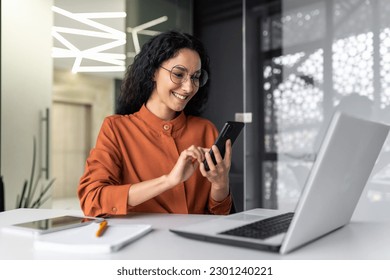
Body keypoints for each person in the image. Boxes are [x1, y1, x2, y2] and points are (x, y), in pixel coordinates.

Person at [78, 30, 233, 217]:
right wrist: (168, 181)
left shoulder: (206, 130)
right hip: (143, 243)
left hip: (195, 243)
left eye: (195, 77)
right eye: (178, 74)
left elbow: (220, 214)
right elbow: (92, 199)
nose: (189, 87)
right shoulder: (116, 129)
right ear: (153, 72)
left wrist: (220, 184)